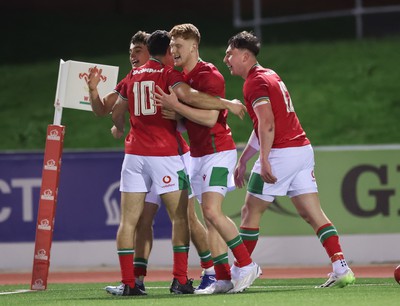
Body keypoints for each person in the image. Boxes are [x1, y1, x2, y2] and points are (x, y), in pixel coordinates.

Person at [223, 31, 356, 288]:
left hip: (281, 153)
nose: (226, 58)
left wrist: (264, 160)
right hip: (302, 150)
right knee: (312, 213)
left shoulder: (254, 83)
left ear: (245, 55)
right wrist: (244, 159)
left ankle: (241, 271)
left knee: (250, 211)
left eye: (230, 53)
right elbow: (261, 124)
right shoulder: (269, 75)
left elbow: (267, 124)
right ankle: (341, 266)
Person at [155, 24, 261, 294]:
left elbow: (209, 118)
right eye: (172, 46)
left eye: (179, 45)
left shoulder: (209, 73)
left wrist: (179, 107)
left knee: (213, 212)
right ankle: (223, 278)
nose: (174, 51)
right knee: (209, 218)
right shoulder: (180, 76)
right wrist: (177, 115)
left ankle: (247, 265)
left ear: (193, 46)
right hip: (198, 155)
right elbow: (187, 113)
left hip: (218, 152)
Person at [87, 31, 161, 293]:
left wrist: (119, 124)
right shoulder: (130, 79)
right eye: (131, 51)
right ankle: (134, 281)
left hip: (171, 156)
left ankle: (201, 274)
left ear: (151, 51)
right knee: (139, 222)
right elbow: (102, 110)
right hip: (142, 155)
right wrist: (93, 88)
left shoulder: (166, 73)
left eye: (138, 50)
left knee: (187, 219)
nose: (133, 55)